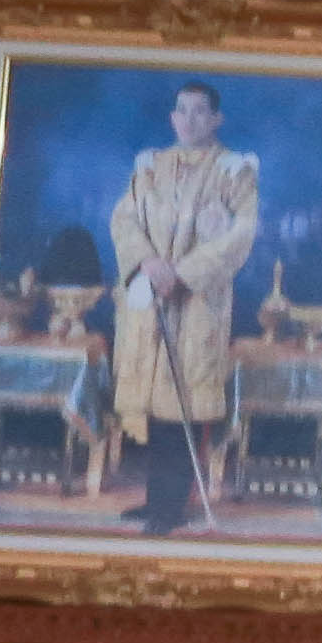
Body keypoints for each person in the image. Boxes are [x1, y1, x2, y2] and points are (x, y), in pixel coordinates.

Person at [111, 79, 258, 533]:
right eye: (182, 110)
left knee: (183, 406)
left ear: (216, 119)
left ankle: (172, 507)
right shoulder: (150, 166)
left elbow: (241, 234)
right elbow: (124, 219)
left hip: (197, 304)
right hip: (151, 298)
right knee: (156, 406)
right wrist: (148, 262)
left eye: (200, 111)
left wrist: (182, 273)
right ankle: (157, 499)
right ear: (173, 118)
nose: (189, 120)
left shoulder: (234, 171)